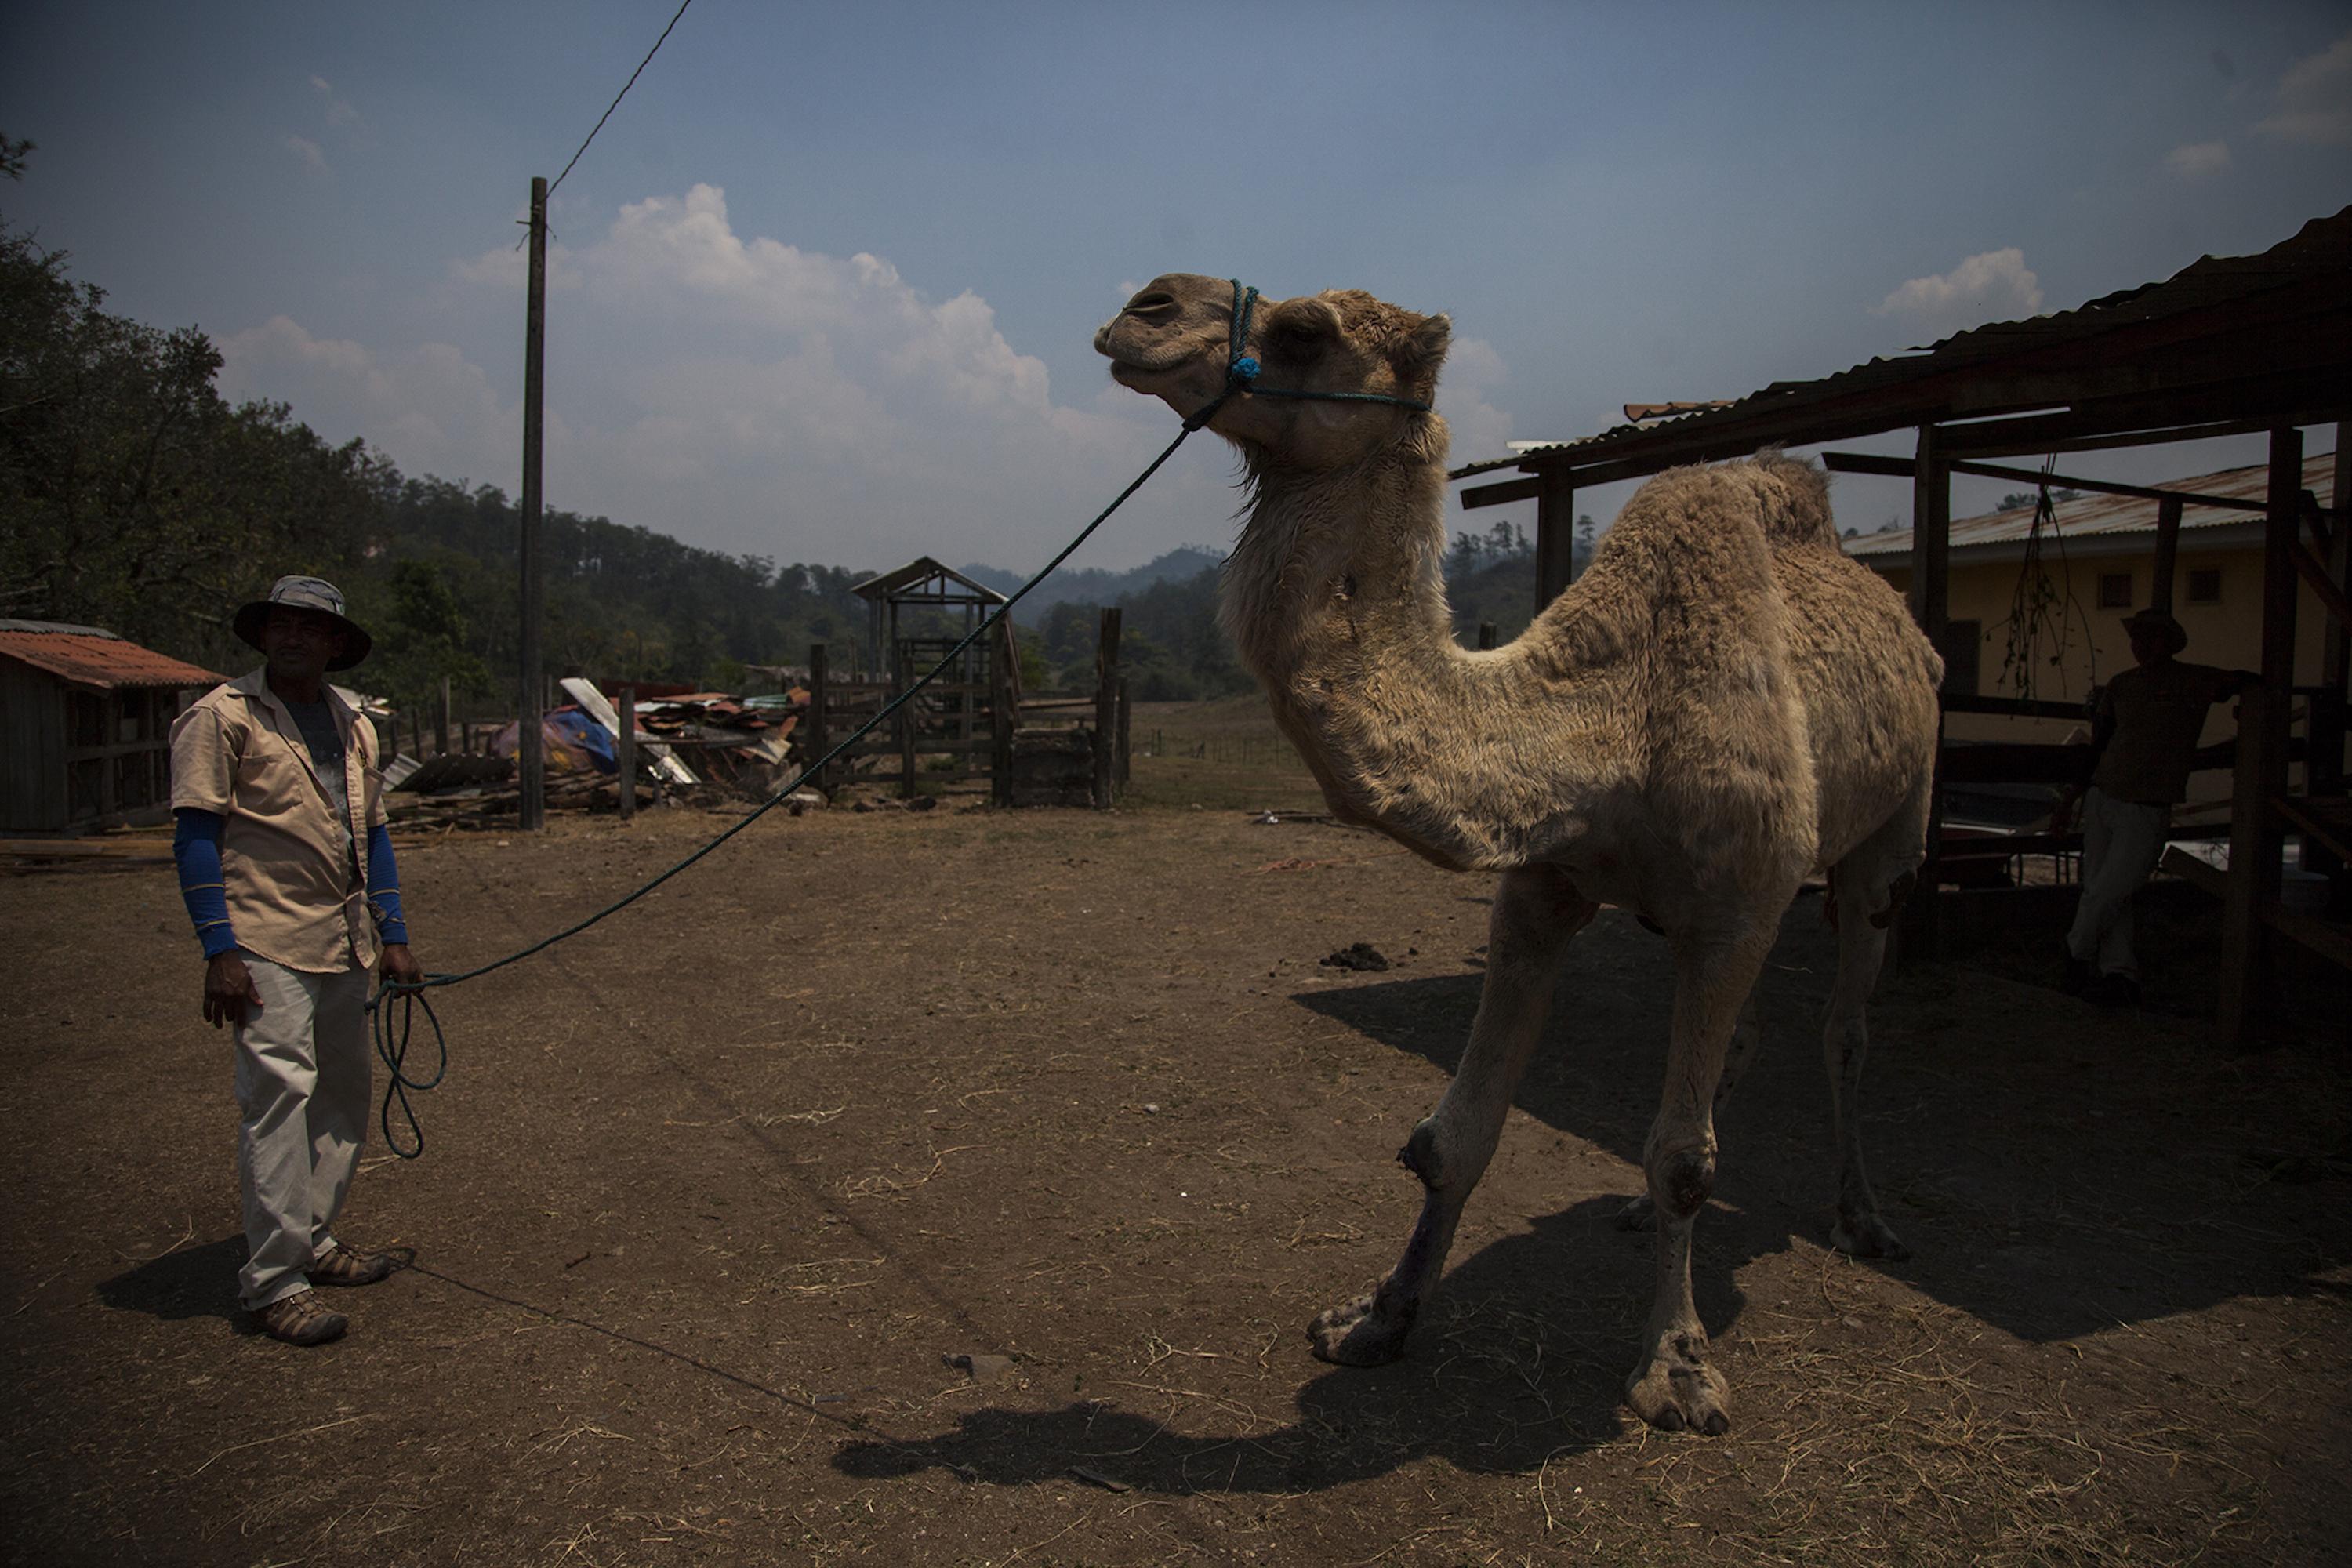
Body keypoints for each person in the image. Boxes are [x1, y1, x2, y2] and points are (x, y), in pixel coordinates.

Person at [169, 575, 425, 1346]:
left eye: (312, 629)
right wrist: (219, 948)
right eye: (283, 624)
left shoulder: (354, 724)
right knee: (279, 1096)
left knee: (342, 1092)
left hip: (342, 935)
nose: (295, 638)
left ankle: (313, 1236)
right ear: (263, 634)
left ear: (336, 645)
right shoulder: (221, 718)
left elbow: (371, 833)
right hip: (262, 935)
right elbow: (194, 836)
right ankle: (273, 1282)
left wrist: (395, 930)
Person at [2054, 608, 2259, 1008]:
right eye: (2138, 638)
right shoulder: (2120, 686)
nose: (2142, 646)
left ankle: (2075, 953)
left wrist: (2256, 700)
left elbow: (2243, 683)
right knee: (2106, 890)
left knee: (2111, 888)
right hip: (2105, 795)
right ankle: (2120, 975)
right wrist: (2071, 799)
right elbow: (2099, 746)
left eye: (2152, 639)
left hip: (2147, 803)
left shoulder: (2194, 680)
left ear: (2168, 644)